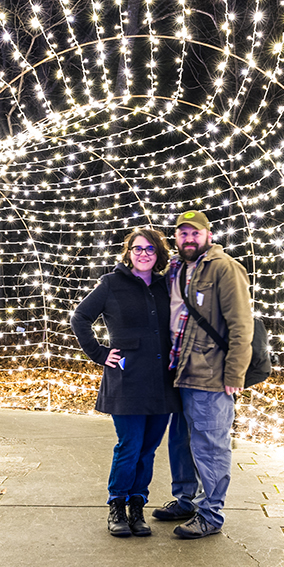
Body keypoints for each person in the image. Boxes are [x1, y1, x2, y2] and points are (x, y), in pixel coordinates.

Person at [70, 226, 180, 537]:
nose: (144, 254)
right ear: (128, 253)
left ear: (158, 254)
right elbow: (79, 318)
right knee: (129, 445)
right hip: (127, 378)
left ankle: (137, 506)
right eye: (137, 248)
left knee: (148, 448)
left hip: (162, 381)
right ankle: (117, 504)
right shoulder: (111, 284)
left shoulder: (166, 286)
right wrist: (99, 353)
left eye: (150, 249)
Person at [159, 209, 252, 539]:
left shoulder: (225, 269)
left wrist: (235, 374)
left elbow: (242, 325)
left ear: (208, 236)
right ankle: (185, 499)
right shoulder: (174, 269)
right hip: (179, 372)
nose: (188, 239)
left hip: (212, 375)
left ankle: (210, 513)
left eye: (195, 233)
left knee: (210, 445)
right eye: (182, 233)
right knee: (181, 442)